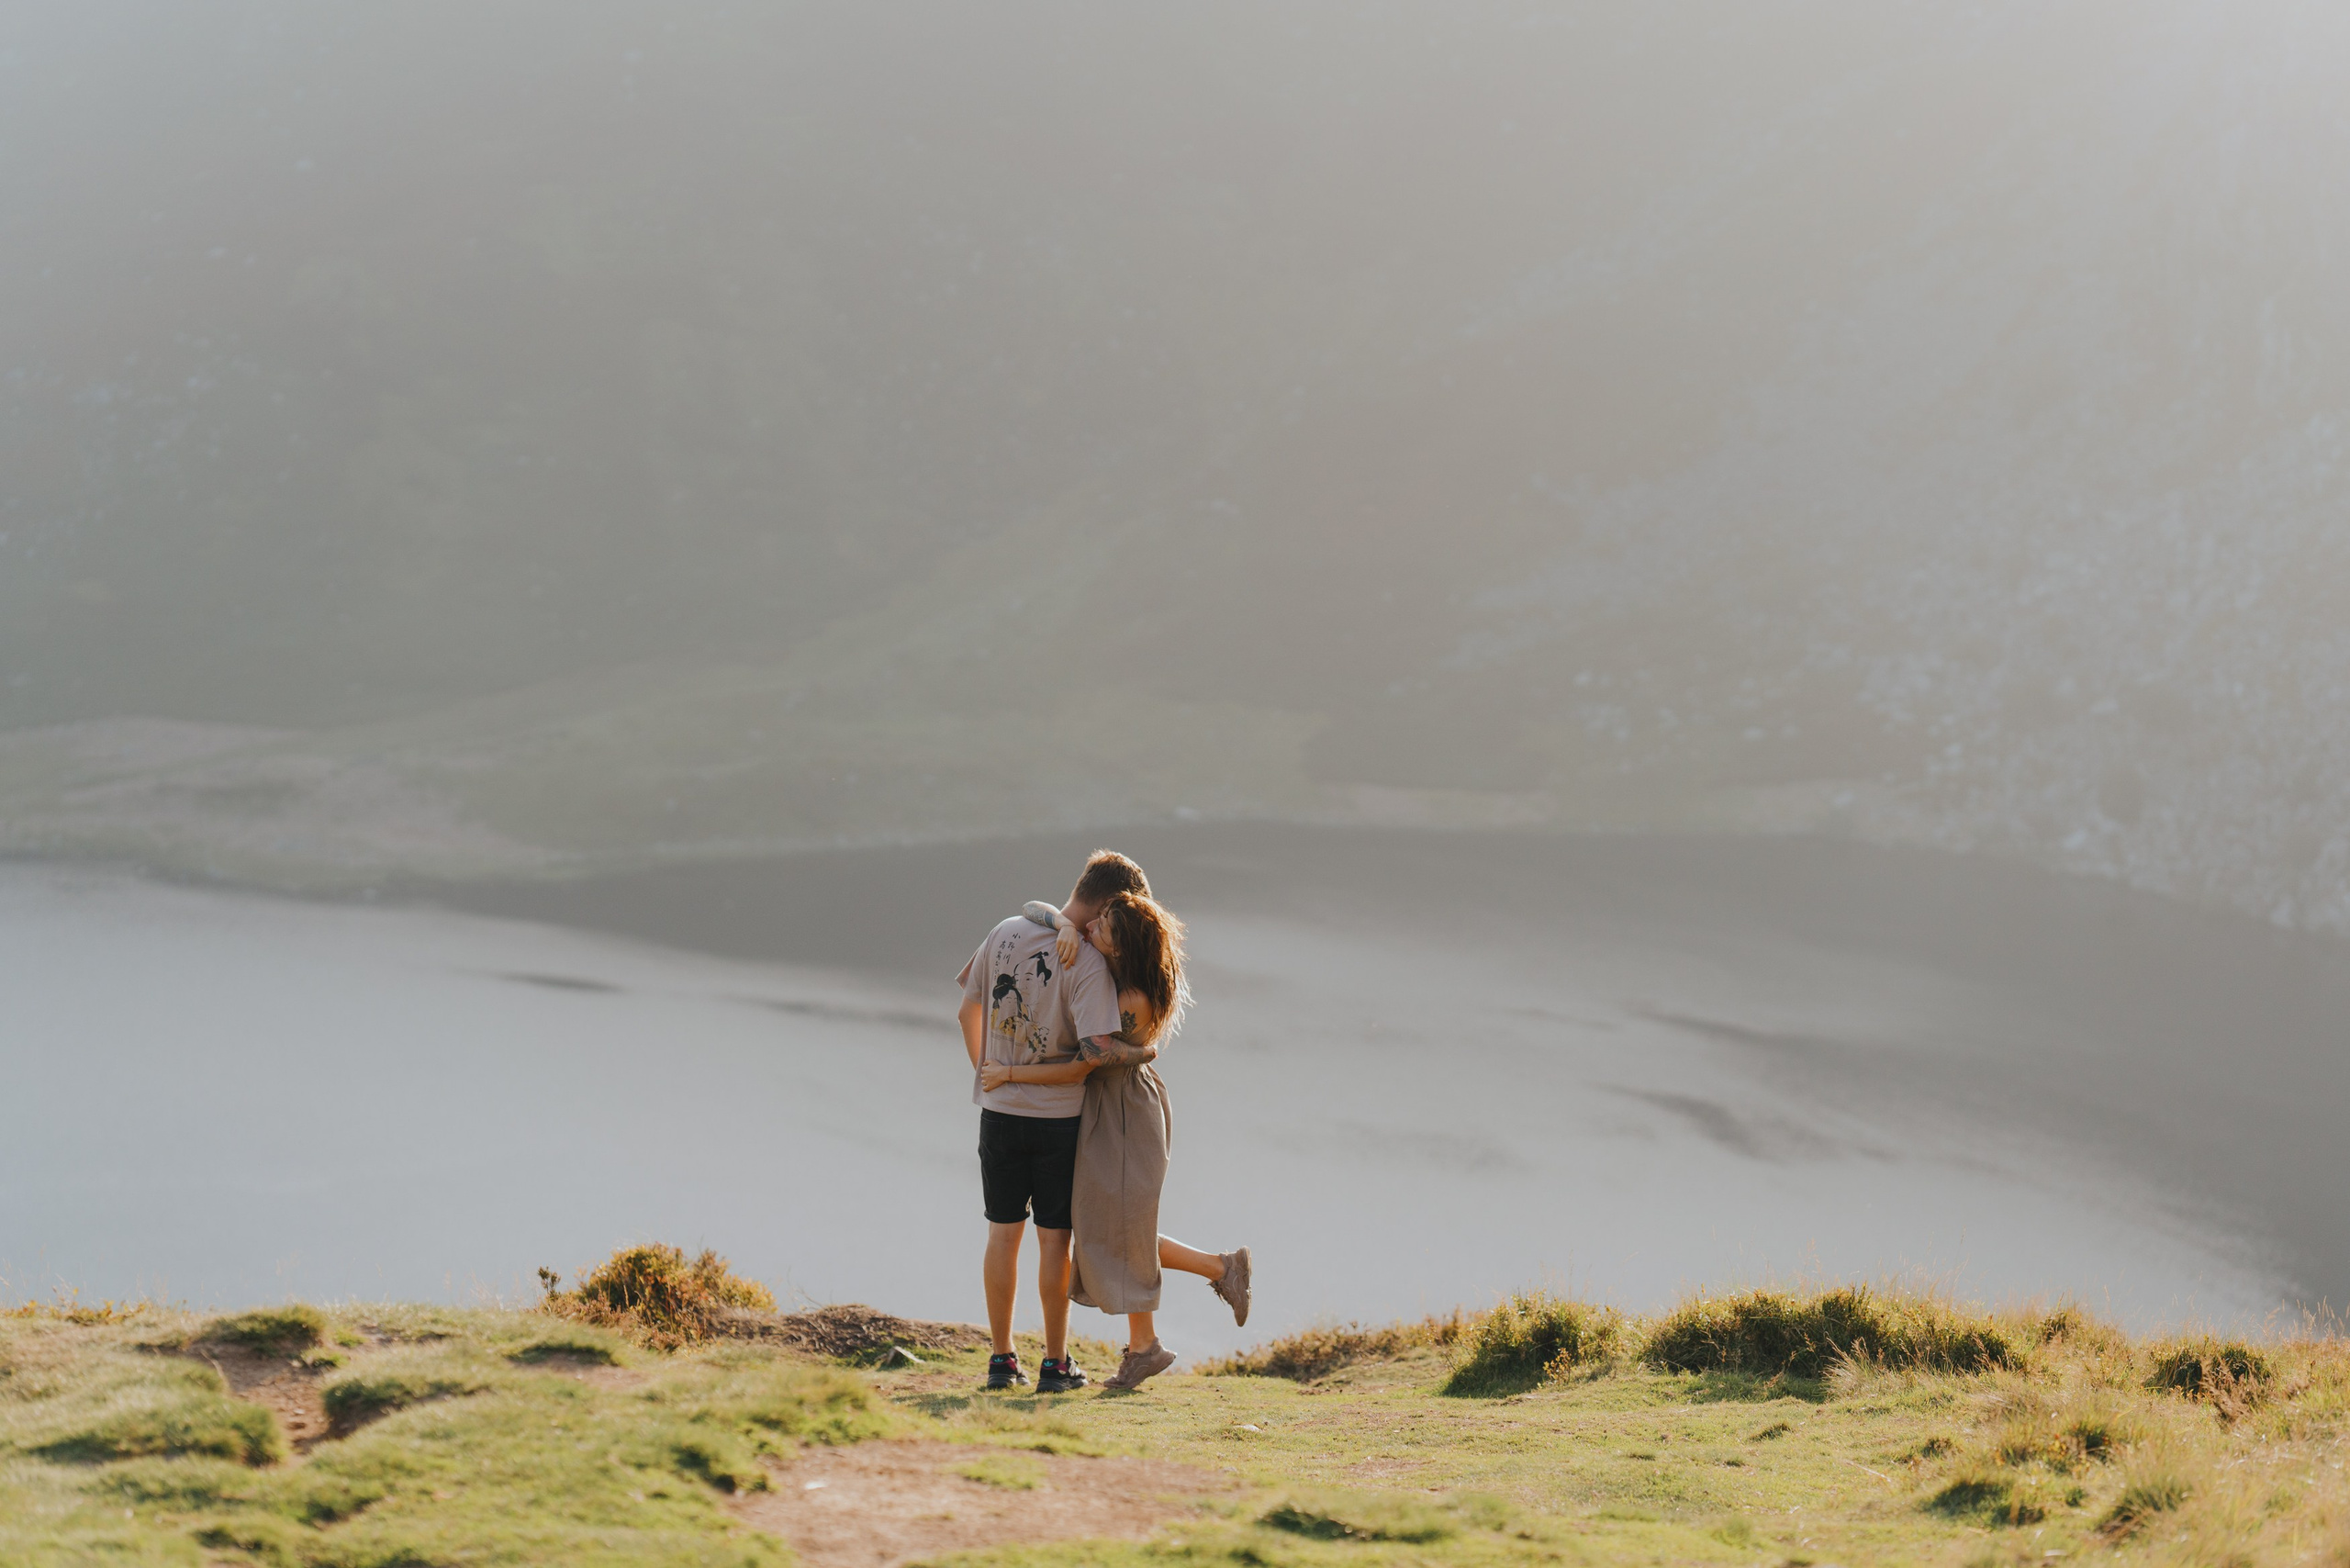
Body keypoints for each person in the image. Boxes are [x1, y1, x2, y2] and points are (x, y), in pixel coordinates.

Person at [982, 889, 1250, 1391]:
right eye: (1097, 918)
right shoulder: (1113, 973)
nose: (1091, 928)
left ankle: (1158, 1333)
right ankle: (1206, 1282)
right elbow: (1035, 908)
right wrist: (1063, 926)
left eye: (1102, 926)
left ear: (1122, 947)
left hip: (1124, 1110)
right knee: (1108, 1227)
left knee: (1118, 1227)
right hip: (1108, 1107)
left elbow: (1095, 1054)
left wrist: (1139, 1054)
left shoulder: (1125, 995)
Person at [956, 850, 1157, 1393]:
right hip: (1057, 1124)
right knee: (1053, 1243)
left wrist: (990, 1072)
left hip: (997, 1114)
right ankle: (1054, 1364)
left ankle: (1001, 1361)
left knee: (1001, 1235)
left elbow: (966, 1007)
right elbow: (1092, 1056)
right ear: (1112, 906)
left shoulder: (1003, 930)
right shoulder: (1087, 963)